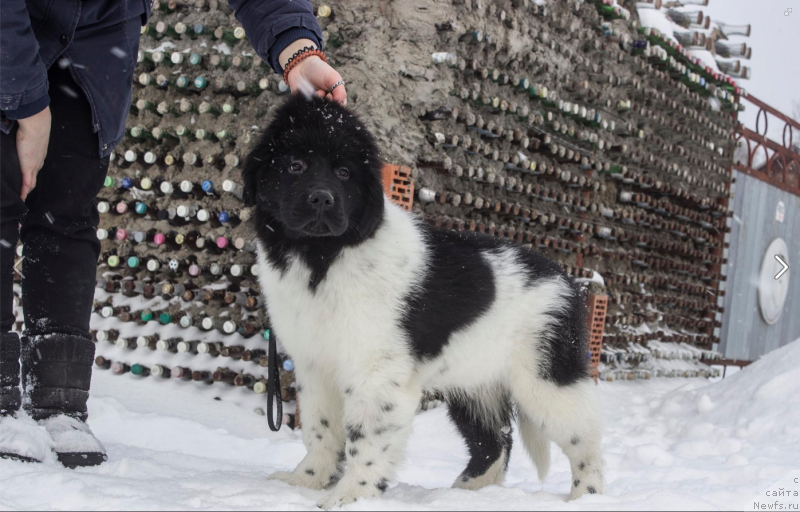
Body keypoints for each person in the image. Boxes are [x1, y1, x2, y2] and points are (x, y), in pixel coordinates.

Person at [0, 0, 346, 466]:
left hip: (99, 35)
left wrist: (297, 49)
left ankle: (56, 406)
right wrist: (23, 100)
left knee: (67, 211)